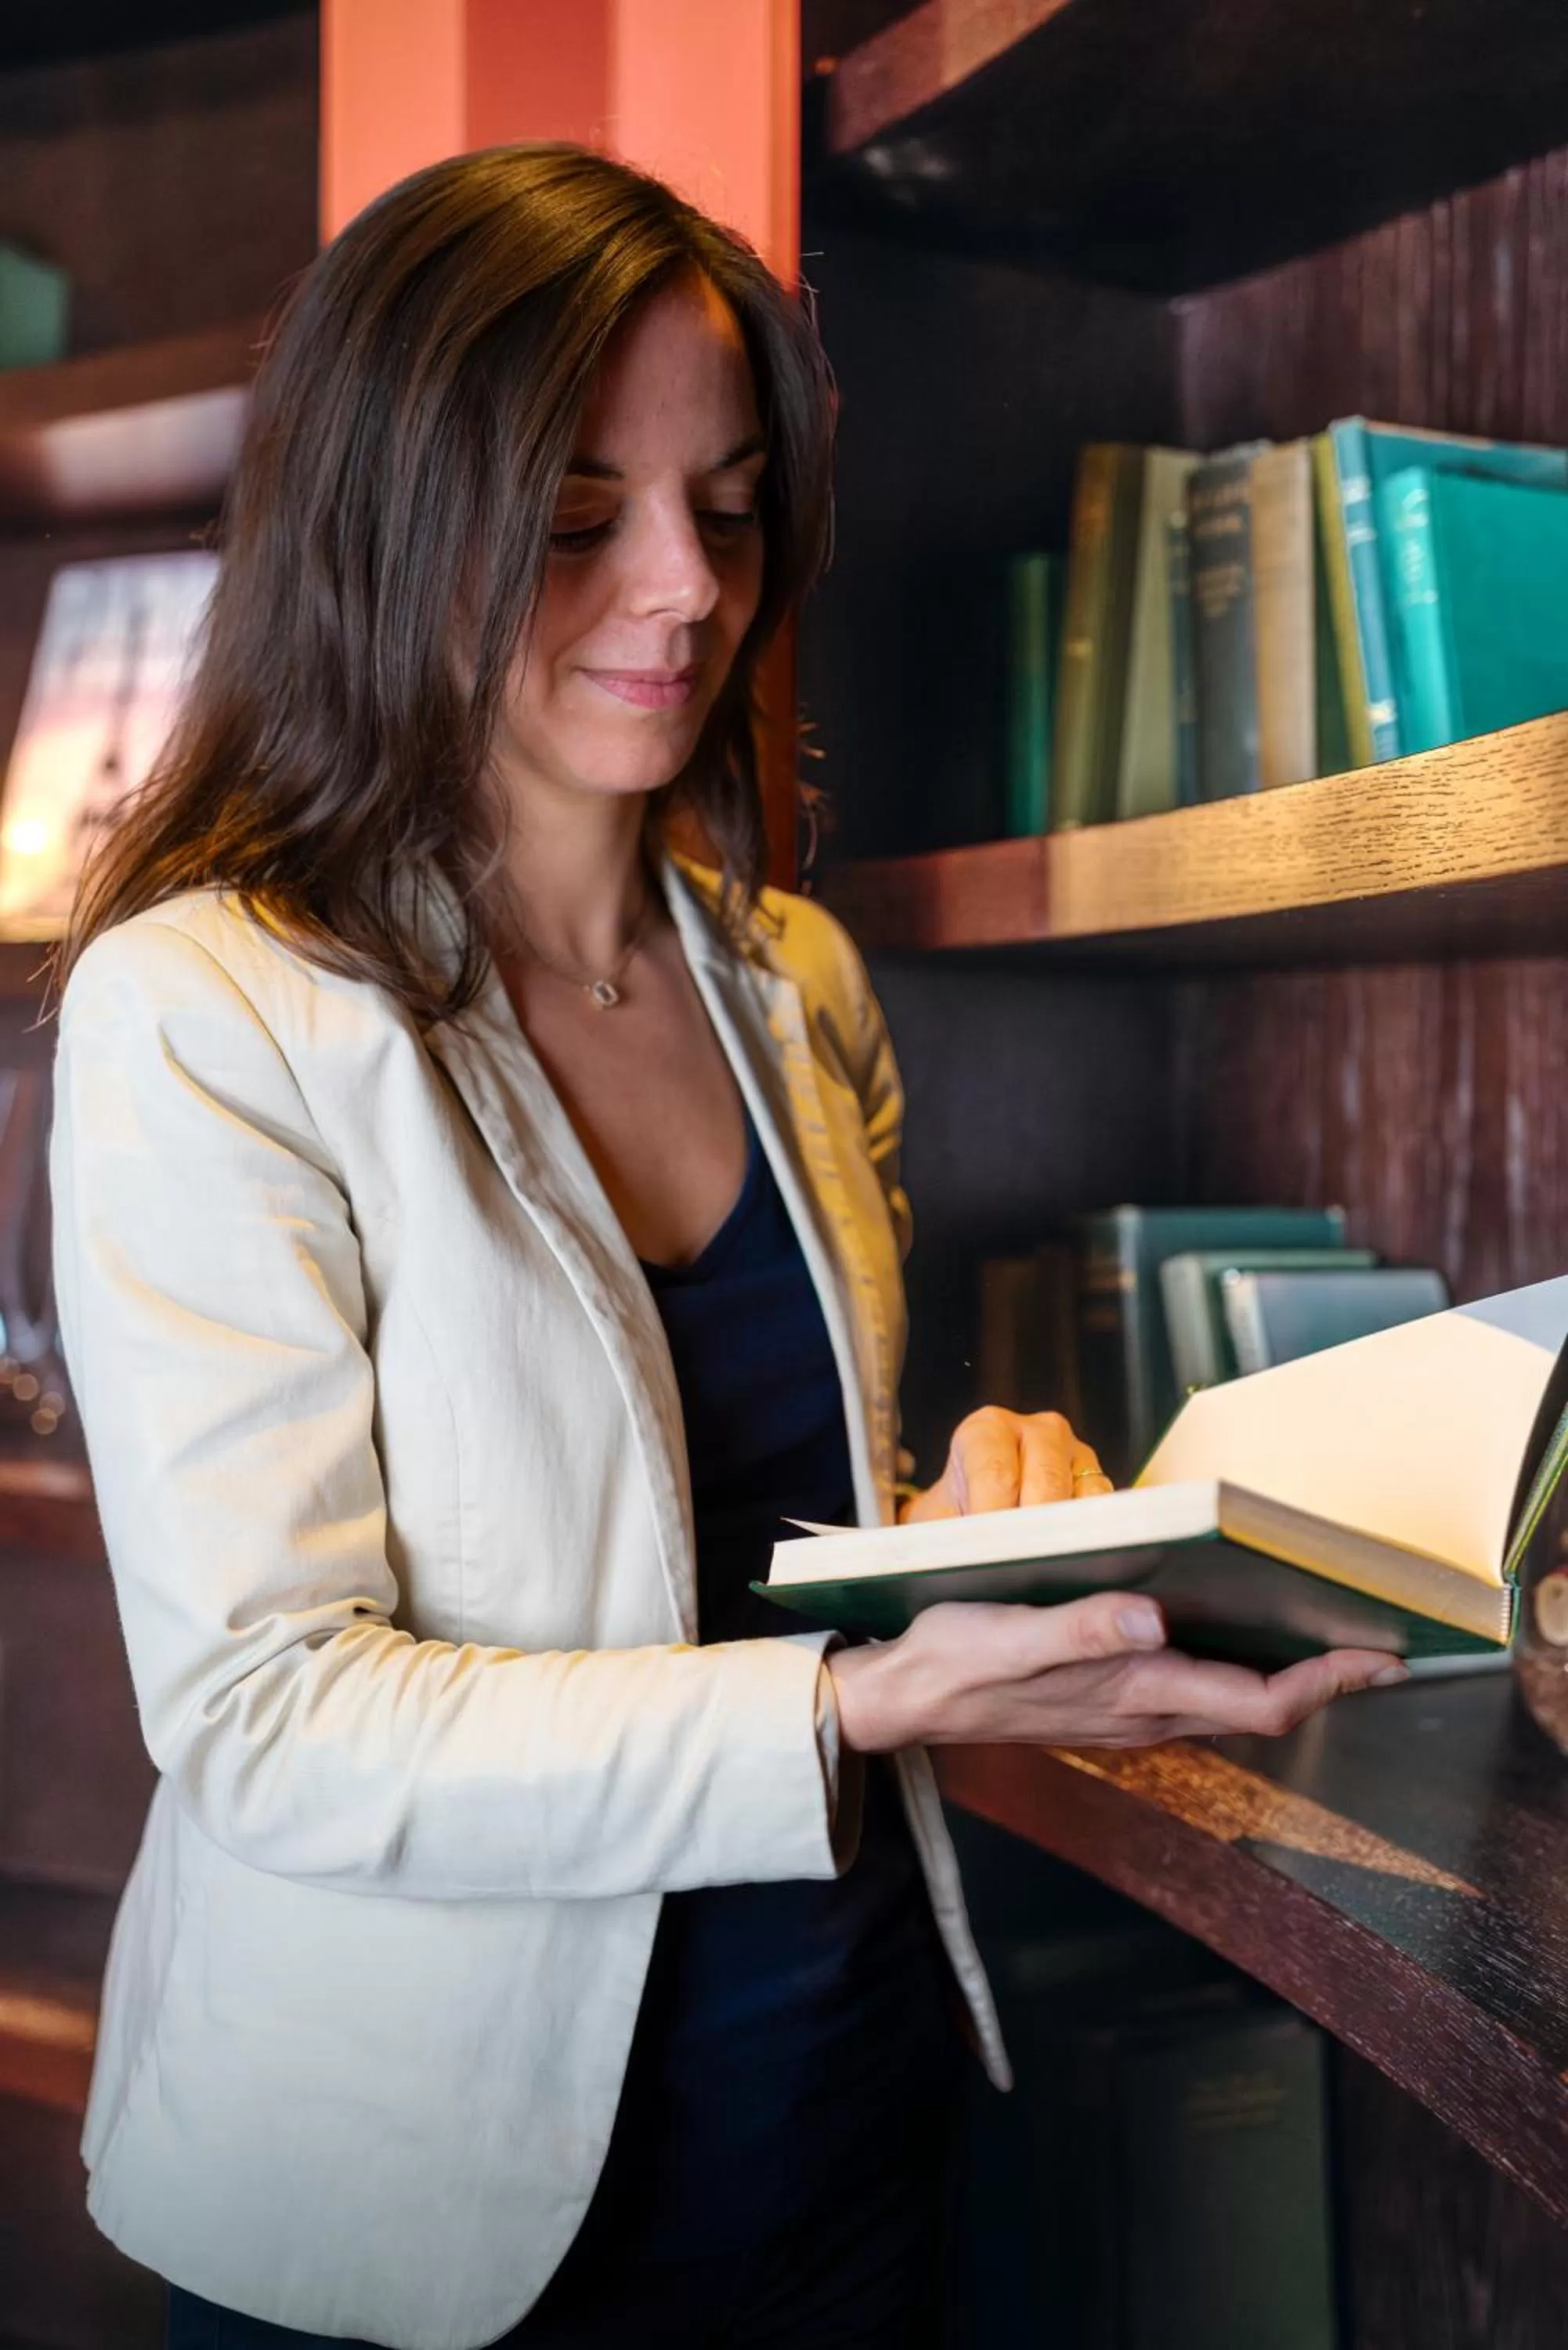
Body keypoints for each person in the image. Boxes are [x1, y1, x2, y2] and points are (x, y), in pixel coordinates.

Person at [48, 145, 1404, 2350]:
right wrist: (861, 1701)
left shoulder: (794, 976)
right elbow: (271, 1721)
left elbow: (796, 1509)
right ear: (391, 520)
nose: (686, 587)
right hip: (414, 2212)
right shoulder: (212, 1010)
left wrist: (989, 1518)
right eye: (578, 519)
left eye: (733, 503)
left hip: (852, 2091)